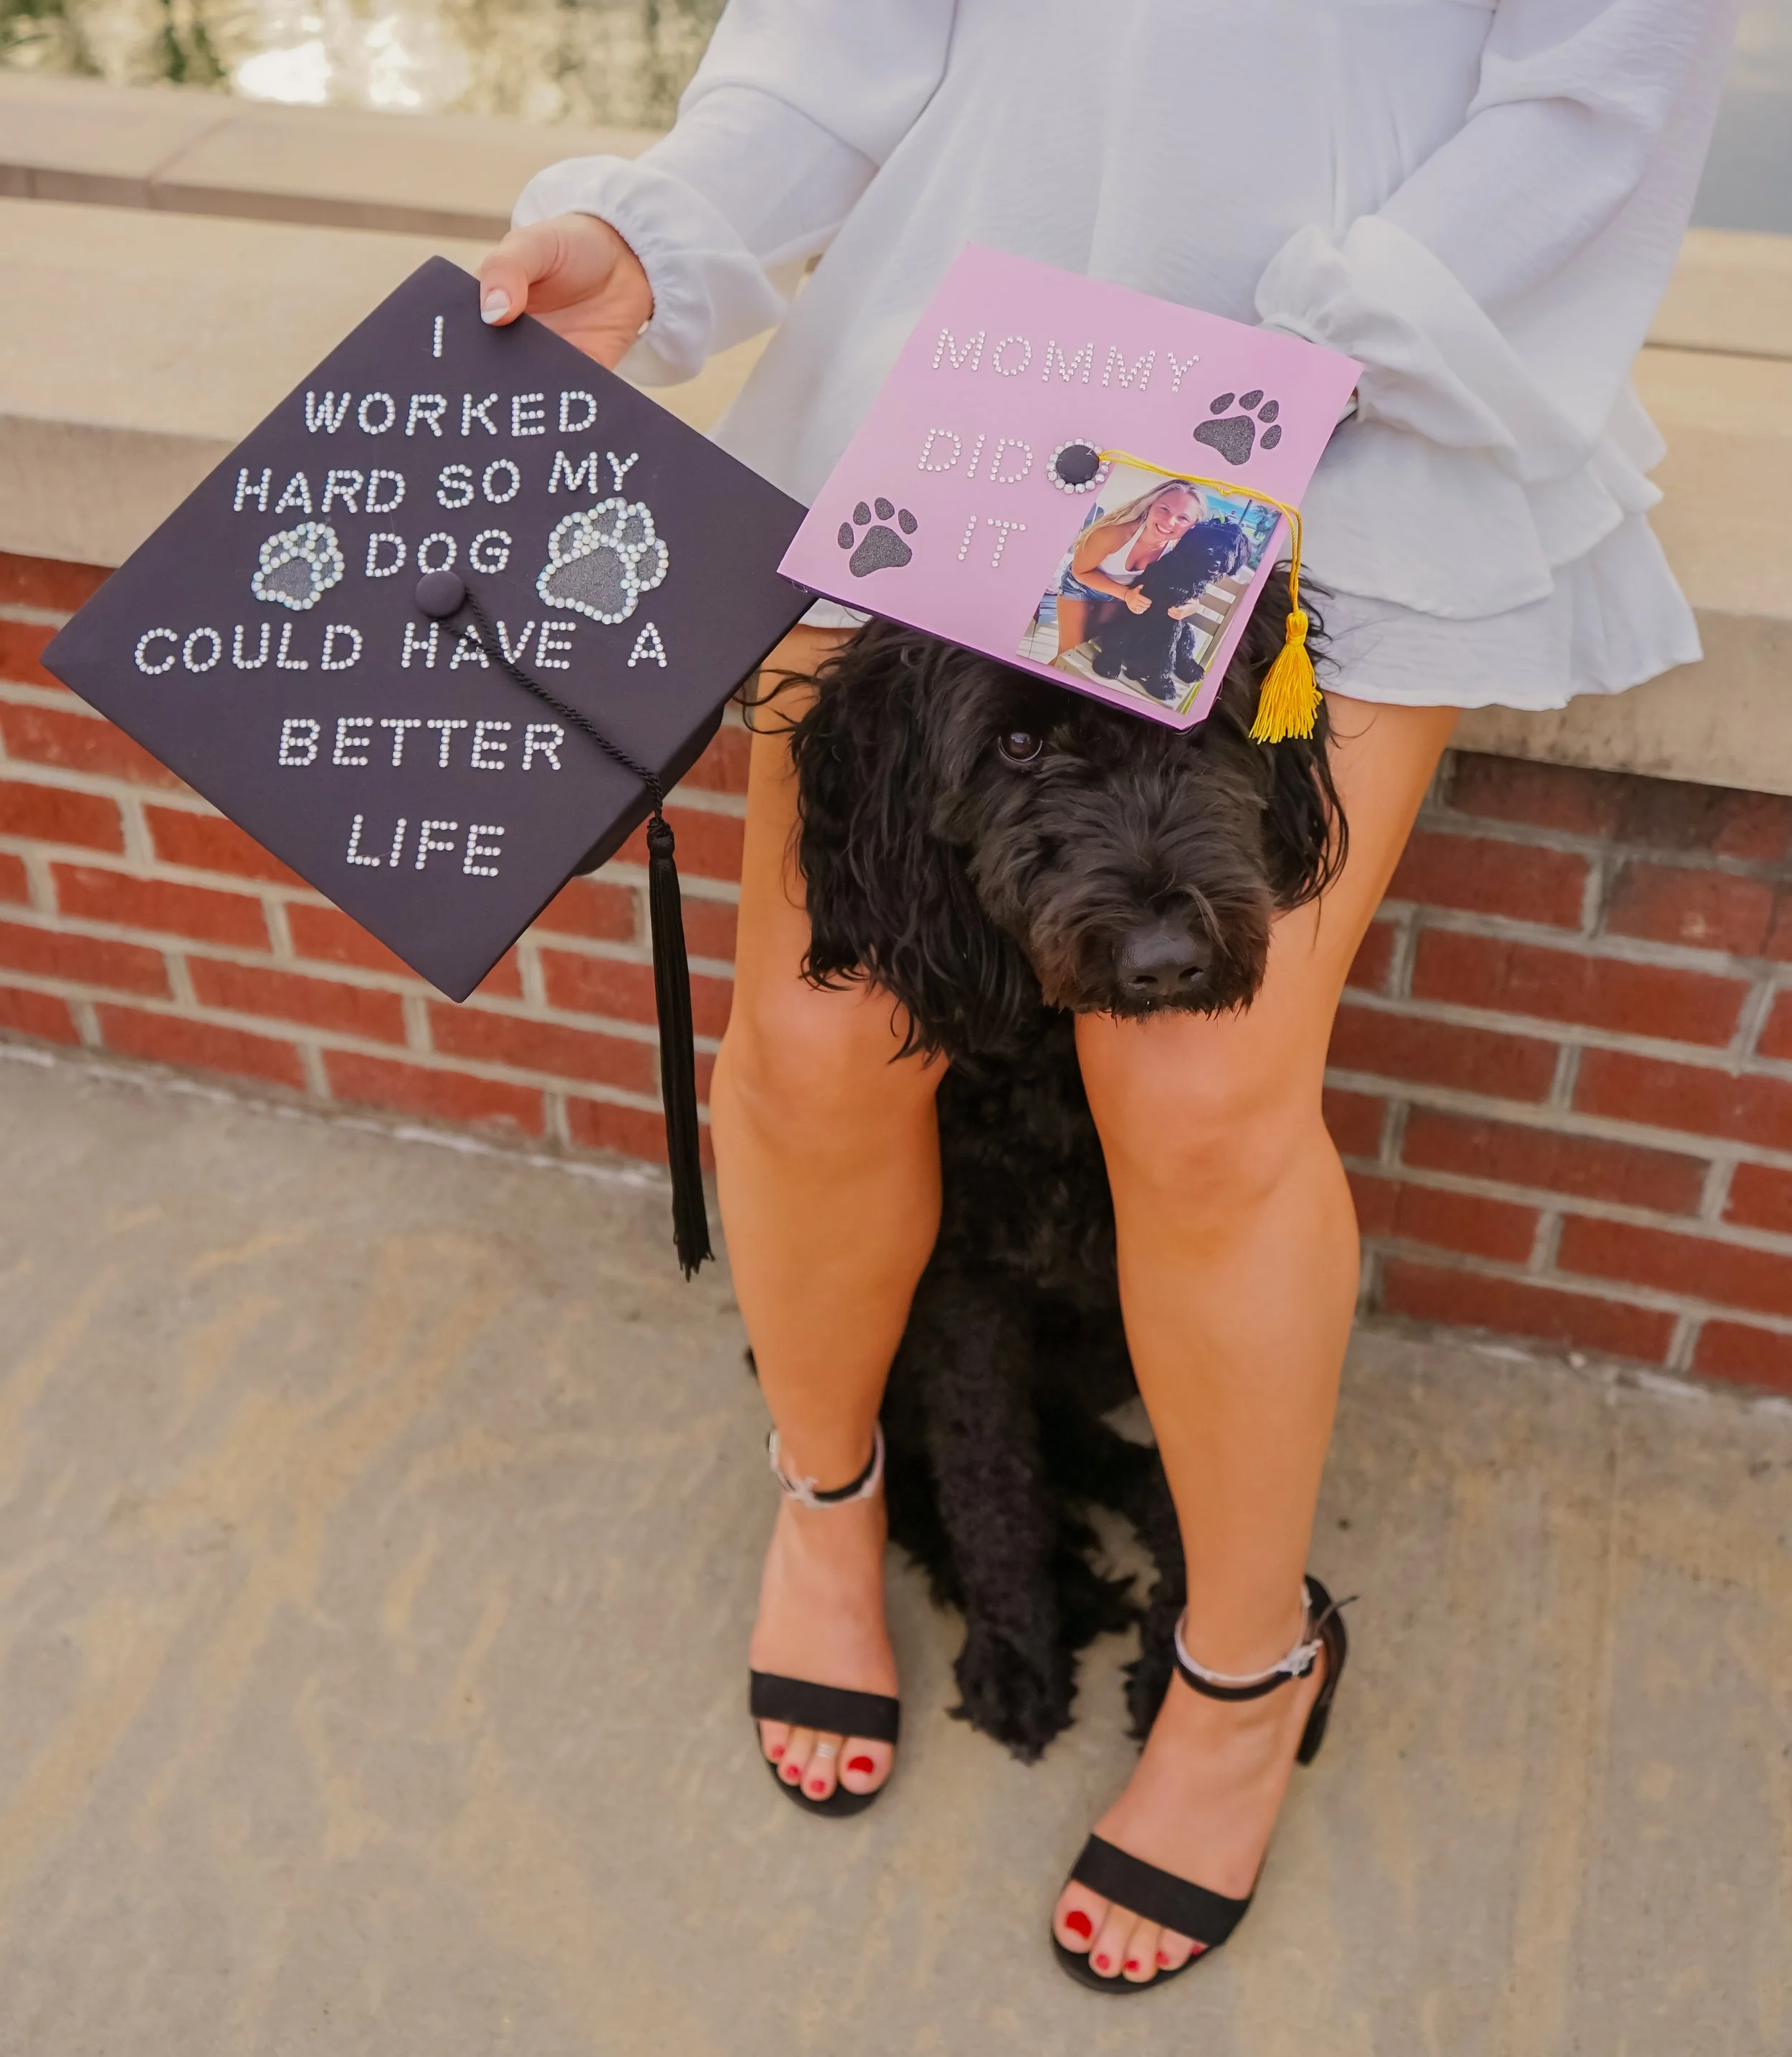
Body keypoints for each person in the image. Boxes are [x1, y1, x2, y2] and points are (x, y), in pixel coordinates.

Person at [478, 0, 1739, 1992]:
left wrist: (1300, 341)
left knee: (1200, 1093)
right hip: (965, 384)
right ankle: (826, 1499)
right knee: (817, 1037)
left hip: (1340, 408)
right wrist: (661, 236)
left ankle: (1246, 1665)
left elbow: (1590, 103)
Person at [1053, 480, 1206, 661]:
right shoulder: (1114, 534)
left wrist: (1192, 606)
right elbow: (1080, 572)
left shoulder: (1179, 551)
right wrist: (1126, 595)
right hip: (1080, 587)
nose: (1169, 521)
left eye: (1183, 518)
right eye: (1164, 509)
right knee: (1068, 653)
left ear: (1193, 525)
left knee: (1090, 650)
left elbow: (1190, 588)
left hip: (1118, 598)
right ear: (1150, 505)